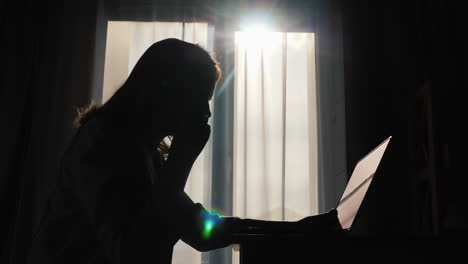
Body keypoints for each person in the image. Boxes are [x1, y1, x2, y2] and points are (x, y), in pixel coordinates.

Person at [27, 38, 342, 264]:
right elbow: (135, 254)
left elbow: (199, 228)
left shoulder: (142, 151)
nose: (206, 112)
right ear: (165, 88)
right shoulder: (104, 142)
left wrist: (296, 231)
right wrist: (180, 160)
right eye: (199, 98)